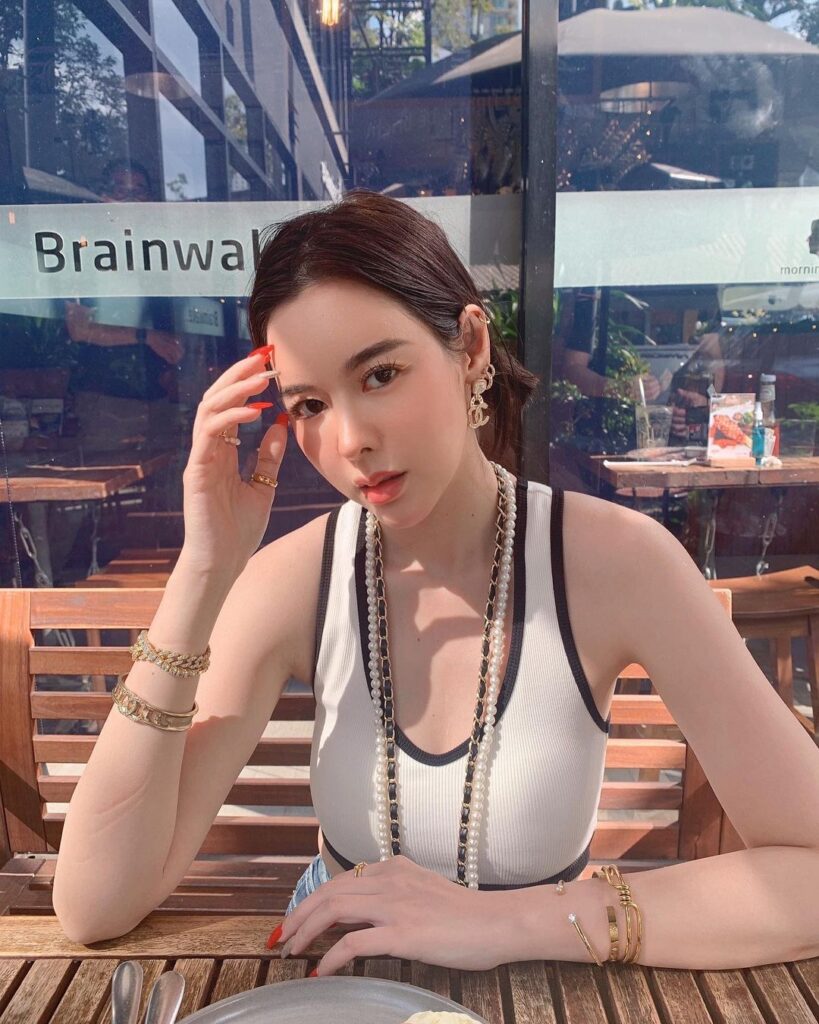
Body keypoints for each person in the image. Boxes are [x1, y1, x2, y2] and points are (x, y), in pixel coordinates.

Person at [52, 191, 819, 973]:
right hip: (343, 987)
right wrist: (203, 571)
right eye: (309, 404)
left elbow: (809, 873)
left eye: (380, 373)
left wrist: (511, 923)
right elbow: (94, 906)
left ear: (471, 347)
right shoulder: (293, 581)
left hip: (541, 979)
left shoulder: (616, 563)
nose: (351, 439)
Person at [65, 159, 184, 452]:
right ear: (103, 197)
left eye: (139, 192)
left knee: (165, 477)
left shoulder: (157, 254)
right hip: (104, 397)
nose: (131, 200)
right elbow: (78, 329)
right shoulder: (82, 250)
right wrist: (146, 337)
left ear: (150, 201)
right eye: (121, 191)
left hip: (159, 395)